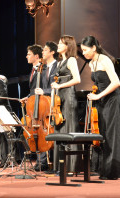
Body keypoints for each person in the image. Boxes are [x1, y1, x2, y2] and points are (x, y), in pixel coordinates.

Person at [81, 35, 120, 180]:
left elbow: (116, 82)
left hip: (112, 100)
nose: (83, 53)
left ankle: (113, 171)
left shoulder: (105, 60)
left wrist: (98, 96)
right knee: (103, 135)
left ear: (94, 48)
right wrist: (94, 94)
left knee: (111, 135)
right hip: (102, 100)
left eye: (85, 50)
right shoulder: (92, 63)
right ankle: (104, 169)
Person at [51, 35, 81, 174]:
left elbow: (77, 79)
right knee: (60, 129)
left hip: (68, 96)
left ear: (68, 46)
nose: (58, 45)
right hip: (60, 98)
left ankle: (71, 167)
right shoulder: (59, 62)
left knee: (68, 128)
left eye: (60, 43)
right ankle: (61, 166)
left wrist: (60, 85)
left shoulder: (71, 60)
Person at [34, 42, 59, 171]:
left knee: (52, 131)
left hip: (54, 104)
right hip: (44, 105)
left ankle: (54, 163)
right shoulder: (43, 68)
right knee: (42, 131)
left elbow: (56, 86)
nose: (42, 52)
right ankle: (42, 161)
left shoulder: (57, 66)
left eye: (45, 50)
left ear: (52, 52)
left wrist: (45, 91)